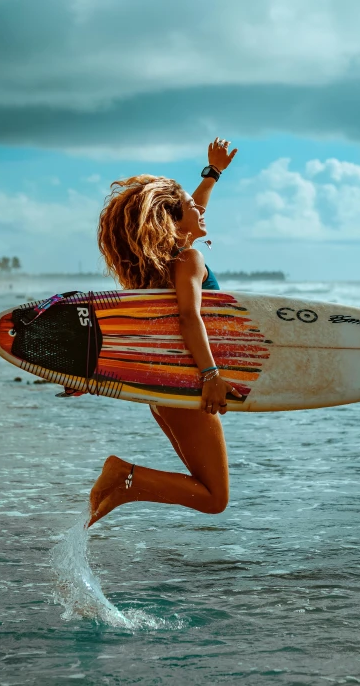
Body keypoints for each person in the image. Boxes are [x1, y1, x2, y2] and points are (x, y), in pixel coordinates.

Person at [88, 137, 244, 527]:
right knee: (214, 498)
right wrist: (211, 376)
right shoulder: (188, 259)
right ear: (172, 222)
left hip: (164, 389)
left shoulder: (157, 268)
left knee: (210, 493)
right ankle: (126, 478)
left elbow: (191, 212)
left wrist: (212, 174)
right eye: (191, 208)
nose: (201, 210)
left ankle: (126, 483)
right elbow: (189, 318)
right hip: (188, 383)